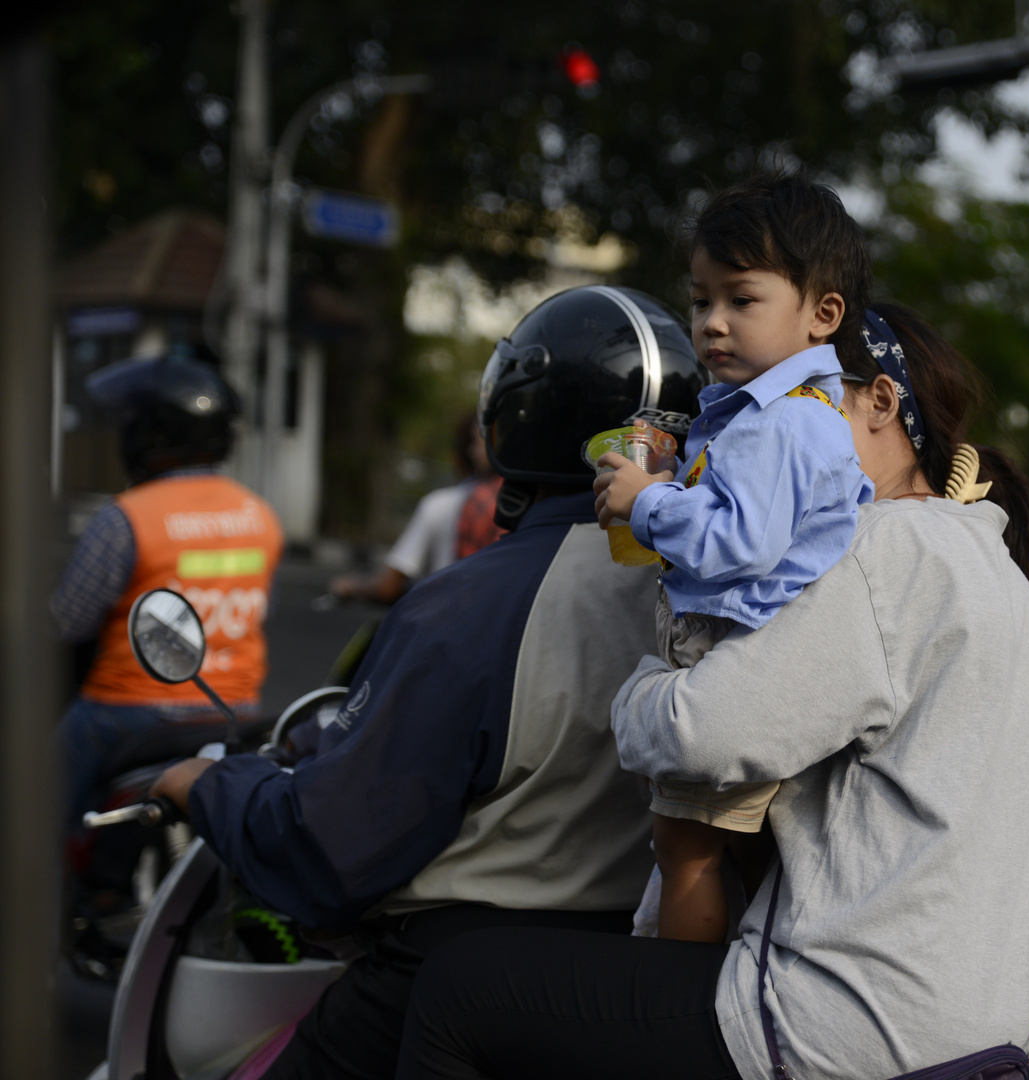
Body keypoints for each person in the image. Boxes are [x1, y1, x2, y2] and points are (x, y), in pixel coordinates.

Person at [396, 301, 1029, 1080]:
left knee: (459, 989)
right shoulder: (985, 558)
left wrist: (651, 682)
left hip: (865, 1024)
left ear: (881, 404)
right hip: (1016, 1033)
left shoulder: (883, 548)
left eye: (807, 401)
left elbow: (702, 734)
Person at [149, 286, 707, 1080]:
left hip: (445, 984)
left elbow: (332, 851)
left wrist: (204, 786)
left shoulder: (473, 602)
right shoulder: (717, 586)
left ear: (522, 412)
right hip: (633, 992)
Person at [593, 172, 874, 942]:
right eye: (700, 300)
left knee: (684, 851)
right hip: (748, 653)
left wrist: (644, 501)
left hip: (730, 651)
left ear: (823, 315)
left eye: (741, 300)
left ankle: (671, 1000)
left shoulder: (780, 423)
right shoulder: (784, 416)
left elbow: (739, 542)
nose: (712, 324)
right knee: (712, 849)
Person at [54, 348, 282, 834]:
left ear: (152, 435)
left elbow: (69, 623)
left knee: (33, 808)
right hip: (234, 712)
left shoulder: (127, 516)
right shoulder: (260, 515)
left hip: (127, 713)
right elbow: (260, 610)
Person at [329, 411, 499, 605]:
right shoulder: (530, 508)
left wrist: (350, 587)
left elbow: (388, 587)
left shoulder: (445, 505)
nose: (473, 451)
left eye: (478, 441)